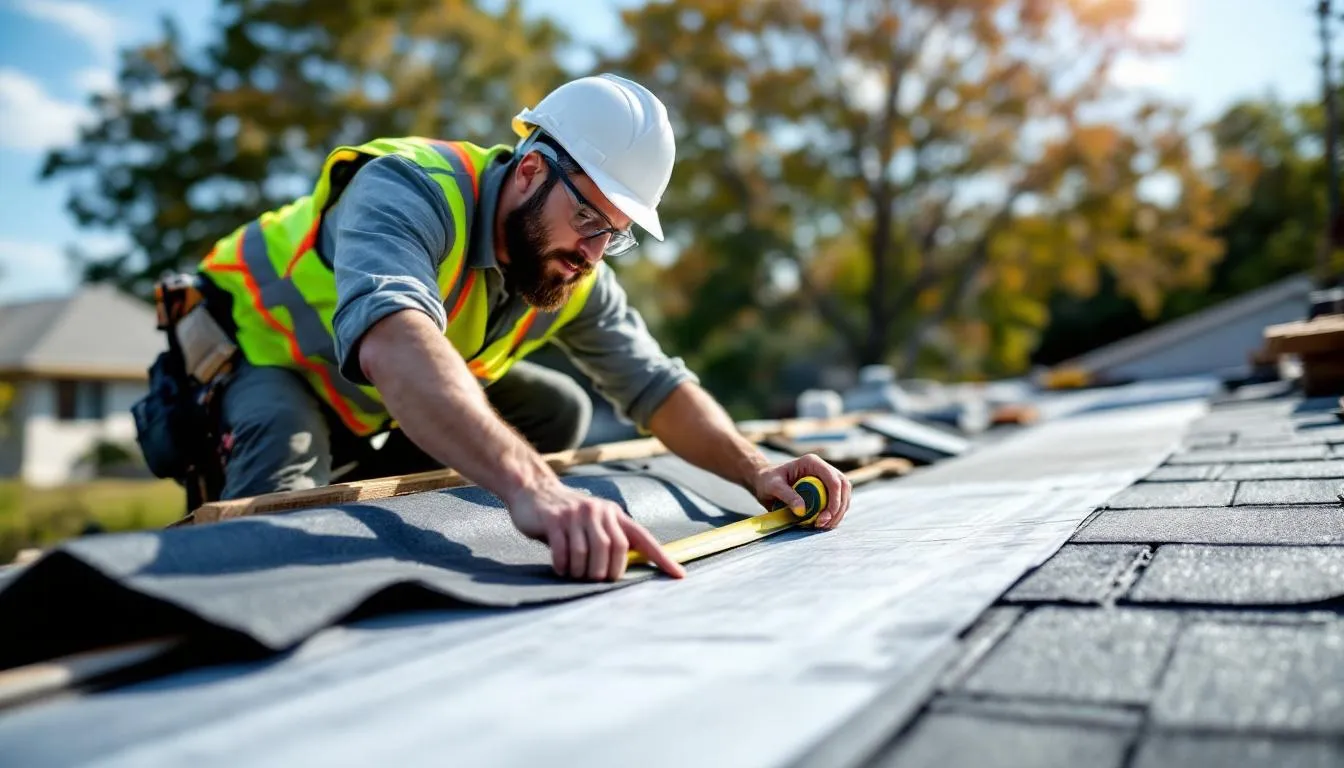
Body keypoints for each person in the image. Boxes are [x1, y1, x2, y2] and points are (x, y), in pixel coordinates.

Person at [138, 73, 852, 582]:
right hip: (266, 360)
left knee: (559, 409)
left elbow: (658, 385)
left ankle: (395, 499)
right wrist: (533, 490)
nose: (595, 252)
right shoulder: (408, 188)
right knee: (284, 529)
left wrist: (757, 467)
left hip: (378, 395)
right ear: (531, 170)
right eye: (589, 221)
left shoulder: (574, 267)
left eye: (617, 234)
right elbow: (394, 338)